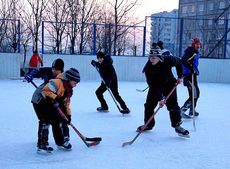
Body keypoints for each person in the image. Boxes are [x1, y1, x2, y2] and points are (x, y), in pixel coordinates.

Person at [137, 46, 189, 137]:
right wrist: (160, 98)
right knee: (149, 105)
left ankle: (177, 126)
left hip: (169, 84)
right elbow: (152, 85)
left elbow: (179, 61)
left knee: (172, 106)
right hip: (155, 86)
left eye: (154, 57)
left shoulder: (168, 60)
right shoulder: (148, 68)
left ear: (159, 57)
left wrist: (180, 76)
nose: (151, 60)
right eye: (150, 57)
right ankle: (148, 124)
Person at [33, 67, 80, 152]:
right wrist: (55, 99)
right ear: (69, 79)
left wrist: (68, 115)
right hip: (39, 100)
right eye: (75, 82)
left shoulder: (68, 90)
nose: (76, 84)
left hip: (51, 102)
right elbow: (46, 91)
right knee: (45, 120)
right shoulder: (57, 82)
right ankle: (42, 144)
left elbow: (66, 103)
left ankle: (60, 142)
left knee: (57, 120)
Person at [180, 37, 201, 118]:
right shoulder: (191, 51)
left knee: (195, 93)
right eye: (196, 44)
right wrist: (191, 69)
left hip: (193, 75)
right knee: (194, 95)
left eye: (199, 44)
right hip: (189, 76)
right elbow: (184, 60)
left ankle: (192, 110)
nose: (198, 46)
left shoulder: (195, 52)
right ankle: (181, 111)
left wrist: (193, 69)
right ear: (193, 44)